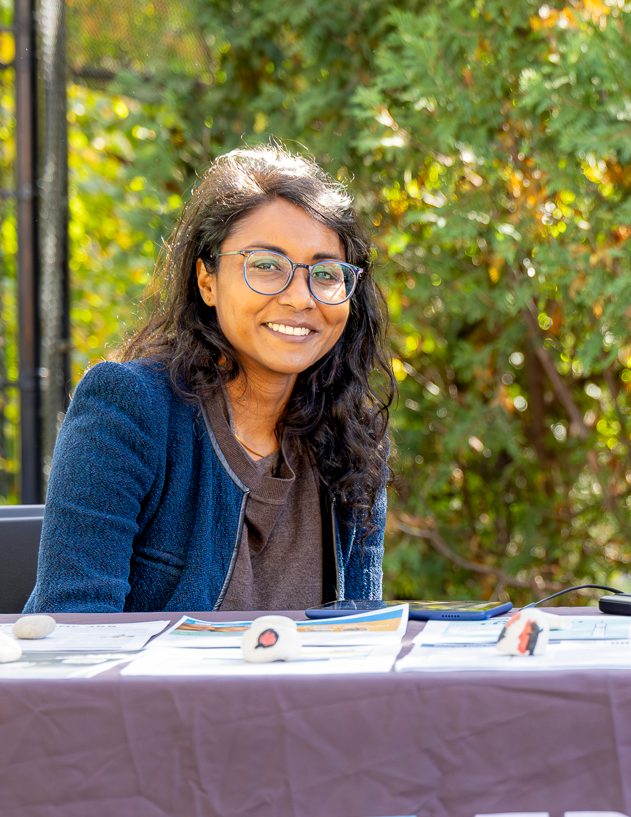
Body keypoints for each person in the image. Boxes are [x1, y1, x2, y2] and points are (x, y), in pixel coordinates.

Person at [24, 145, 391, 613]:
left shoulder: (352, 442)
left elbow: (362, 639)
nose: (301, 298)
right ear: (208, 281)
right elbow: (74, 631)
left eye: (325, 273)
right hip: (151, 688)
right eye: (266, 265)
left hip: (303, 690)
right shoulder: (128, 409)